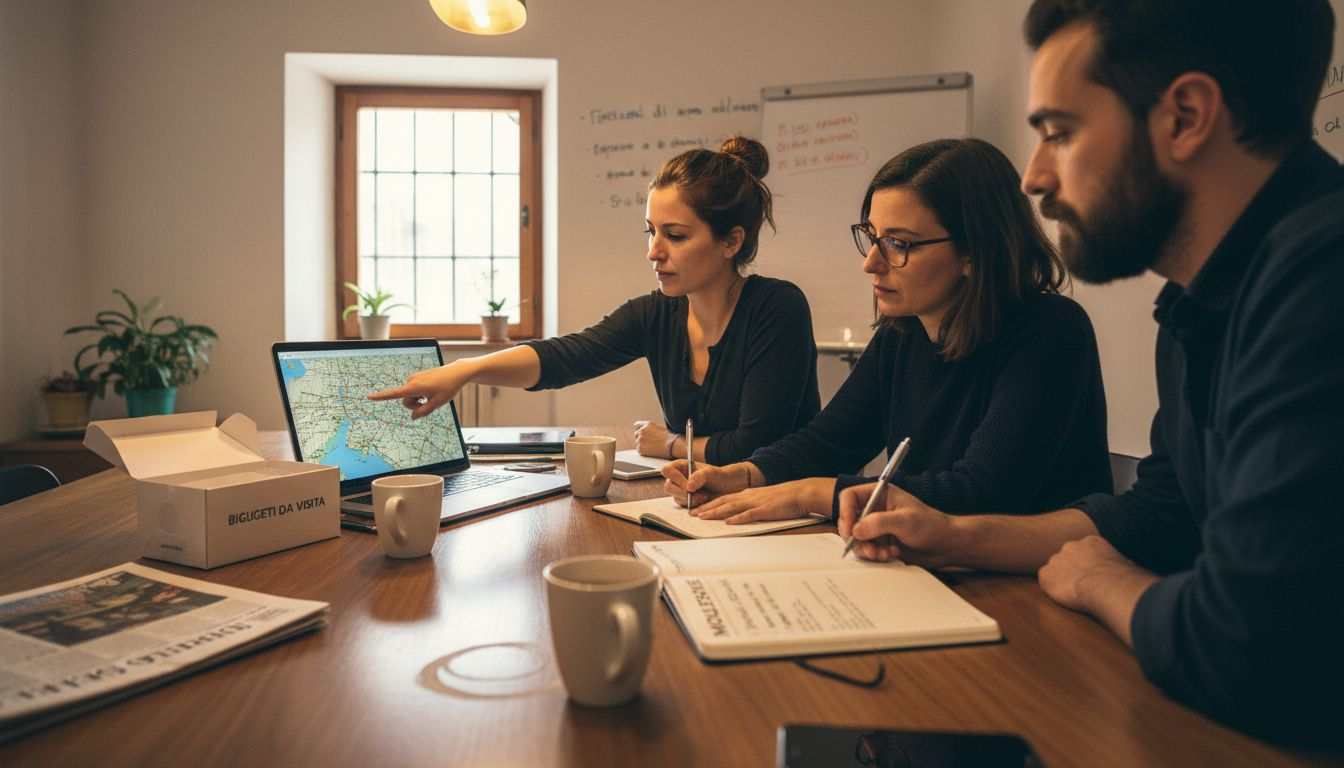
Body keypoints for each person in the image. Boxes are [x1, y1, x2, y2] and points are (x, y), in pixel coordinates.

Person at [837, 0, 1343, 744]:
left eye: (1060, 133)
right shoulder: (1197, 304)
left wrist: (1107, 582)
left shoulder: (1321, 279)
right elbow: (1162, 512)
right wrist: (952, 535)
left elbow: (1249, 646)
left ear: (1186, 116)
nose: (1035, 179)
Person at [663, 137, 1111, 523]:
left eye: (898, 244)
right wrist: (742, 475)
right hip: (940, 570)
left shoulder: (1051, 333)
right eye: (872, 236)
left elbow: (980, 492)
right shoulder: (904, 333)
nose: (870, 262)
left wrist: (811, 494)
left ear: (975, 250)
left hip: (1035, 591)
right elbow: (830, 440)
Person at [369, 137, 820, 465]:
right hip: (709, 509)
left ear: (731, 241)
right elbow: (565, 357)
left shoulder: (777, 309)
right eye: (651, 231)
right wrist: (464, 371)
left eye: (675, 236)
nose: (653, 252)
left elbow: (757, 449)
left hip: (791, 519)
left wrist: (669, 445)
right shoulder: (656, 314)